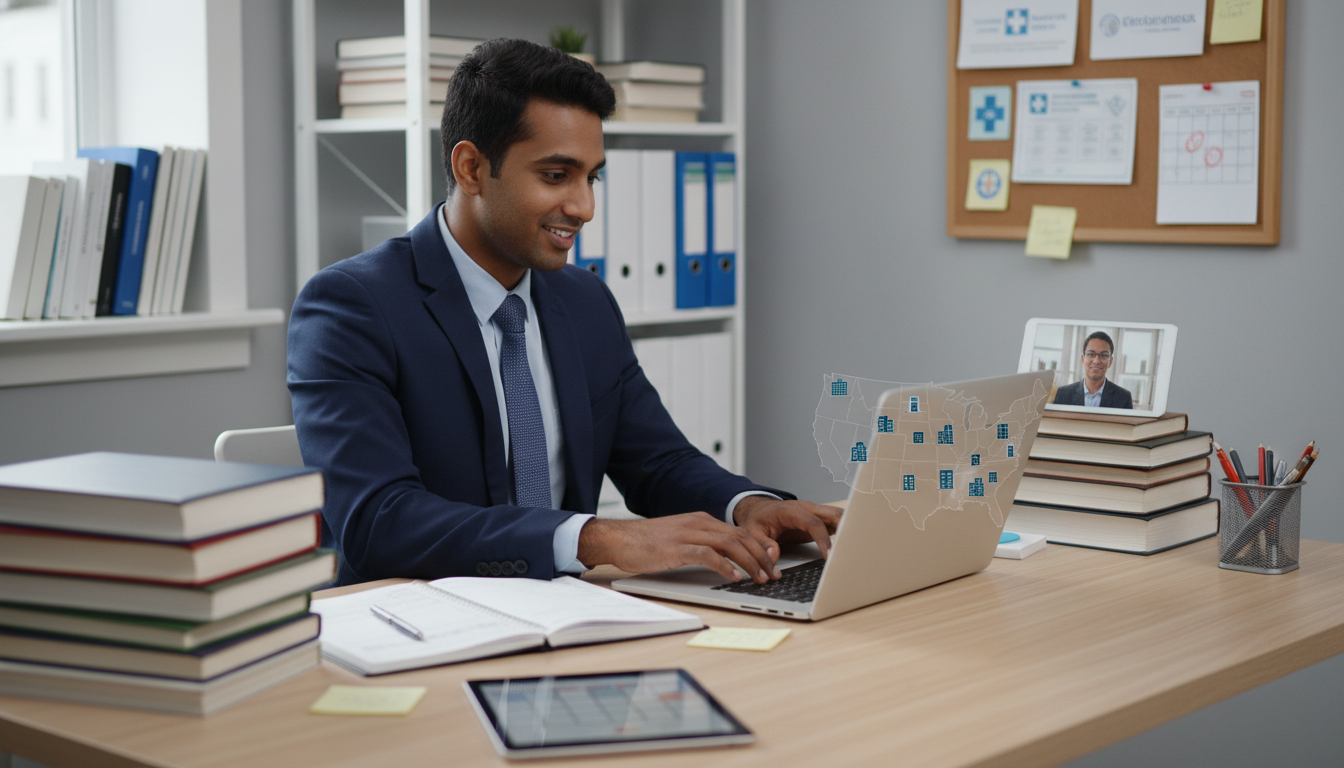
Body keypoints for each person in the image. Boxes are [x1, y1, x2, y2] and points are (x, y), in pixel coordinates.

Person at [287, 39, 841, 587]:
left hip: (572, 619)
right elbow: (377, 523)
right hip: (415, 625)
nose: (584, 208)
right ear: (472, 167)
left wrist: (745, 505)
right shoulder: (350, 307)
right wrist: (600, 539)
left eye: (591, 176)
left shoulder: (585, 301)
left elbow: (656, 462)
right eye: (556, 176)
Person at [1052, 331, 1133, 409]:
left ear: (1110, 362)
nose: (1096, 361)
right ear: (1083, 359)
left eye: (1103, 355)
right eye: (1091, 354)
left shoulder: (1123, 397)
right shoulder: (1063, 394)